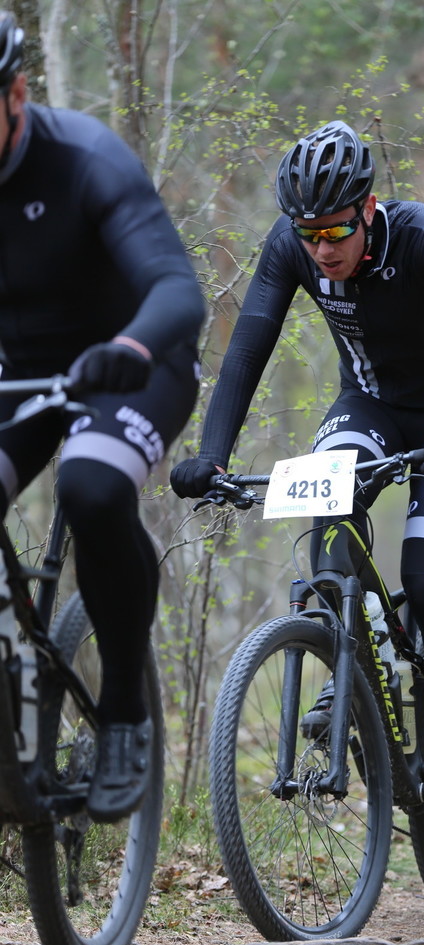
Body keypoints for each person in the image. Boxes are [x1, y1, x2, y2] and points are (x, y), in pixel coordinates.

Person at [171, 119, 424, 848]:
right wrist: (214, 453)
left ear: (368, 208)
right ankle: (340, 654)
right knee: (329, 523)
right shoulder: (291, 245)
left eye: (334, 232)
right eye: (308, 234)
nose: (321, 249)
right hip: (369, 406)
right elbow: (247, 352)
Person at [0, 14, 205, 821]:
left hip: (132, 366)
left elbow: (179, 291)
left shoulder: (82, 159)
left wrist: (127, 343)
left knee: (90, 489)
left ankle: (123, 711)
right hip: (22, 378)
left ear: (16, 94)